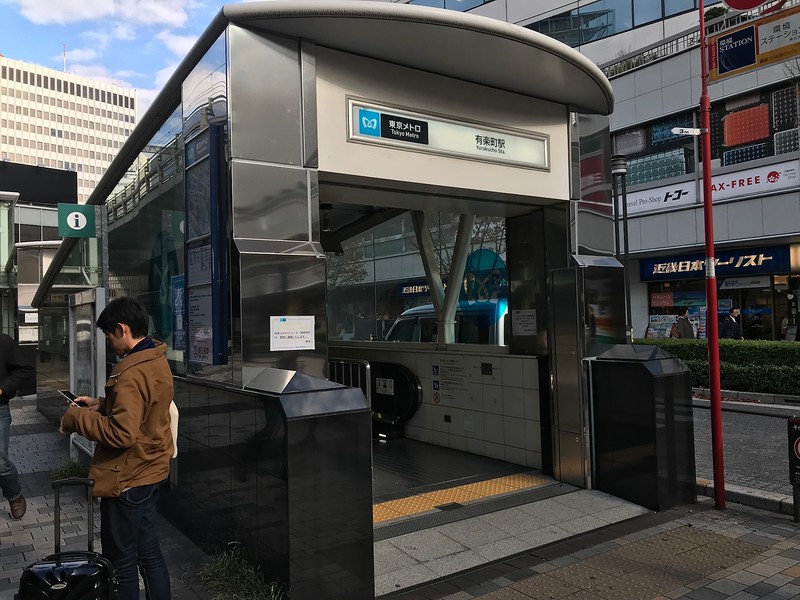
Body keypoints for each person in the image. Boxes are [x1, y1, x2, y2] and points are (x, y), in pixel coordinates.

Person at [60, 297, 173, 600]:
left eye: (109, 336)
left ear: (121, 329)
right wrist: (100, 404)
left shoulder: (130, 372)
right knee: (149, 554)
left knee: (121, 563)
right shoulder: (155, 357)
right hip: (151, 471)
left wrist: (76, 418)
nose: (110, 343)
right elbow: (143, 406)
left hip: (127, 478)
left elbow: (122, 434)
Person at [0, 333, 34, 520]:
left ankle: (14, 495)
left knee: (0, 462)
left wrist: (2, 387)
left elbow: (25, 370)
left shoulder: (4, 342)